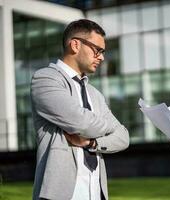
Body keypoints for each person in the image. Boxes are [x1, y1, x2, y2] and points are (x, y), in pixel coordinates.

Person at [31, 19, 129, 200]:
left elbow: (123, 137)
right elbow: (81, 122)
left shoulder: (95, 94)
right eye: (97, 50)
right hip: (61, 194)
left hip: (96, 193)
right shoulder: (45, 79)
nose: (102, 57)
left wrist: (91, 143)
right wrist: (108, 127)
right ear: (75, 45)